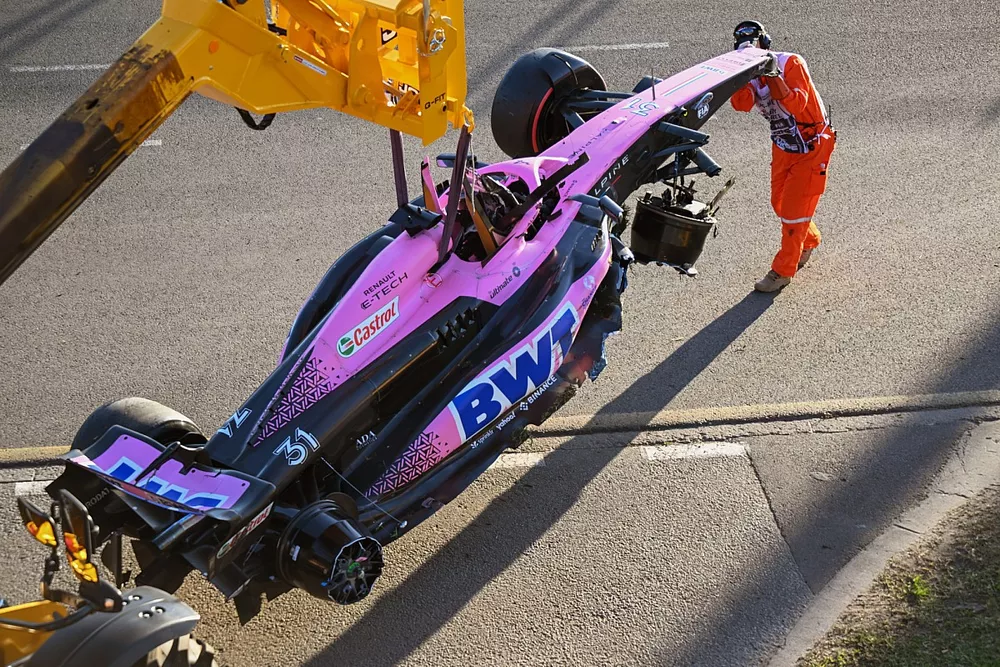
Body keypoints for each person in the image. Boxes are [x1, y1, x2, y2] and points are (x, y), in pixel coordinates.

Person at [729, 21, 837, 292]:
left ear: (765, 44)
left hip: (812, 146)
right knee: (779, 203)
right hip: (784, 145)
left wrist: (773, 74)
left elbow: (797, 105)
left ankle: (782, 271)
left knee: (792, 211)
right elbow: (741, 105)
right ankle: (807, 240)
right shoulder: (751, 74)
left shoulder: (791, 64)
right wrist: (739, 75)